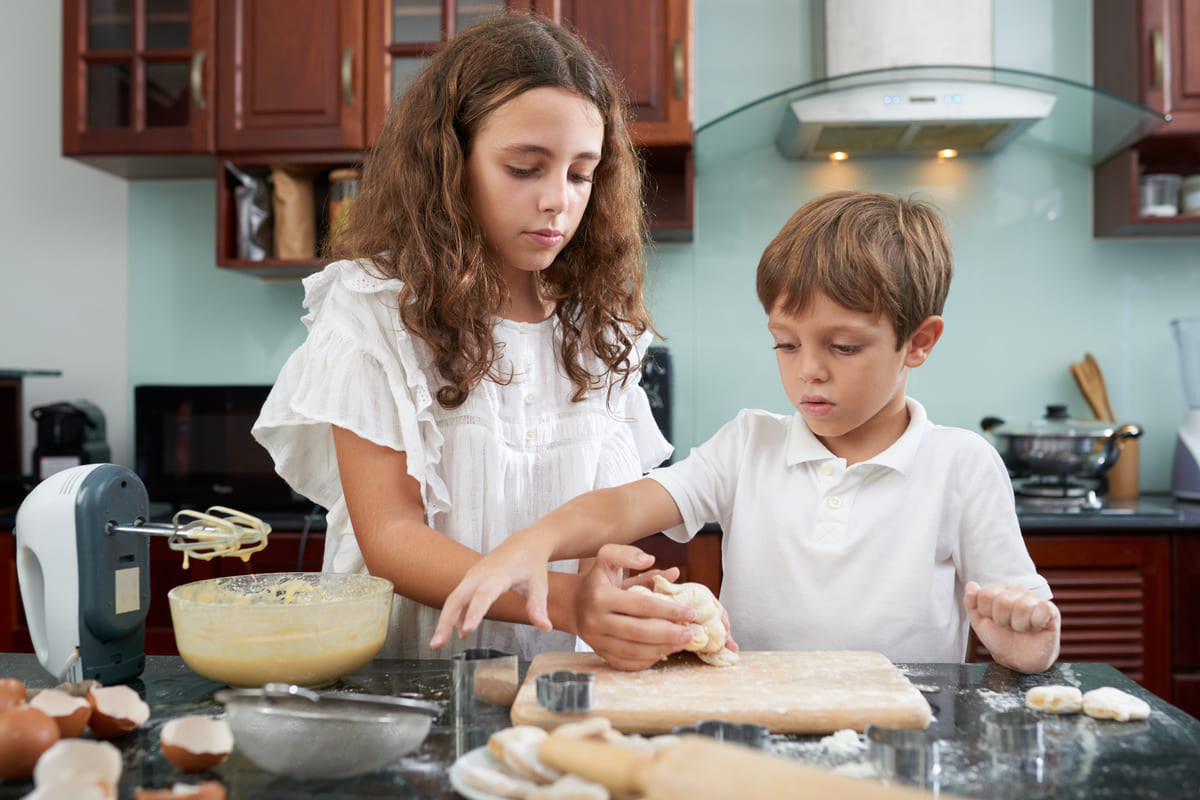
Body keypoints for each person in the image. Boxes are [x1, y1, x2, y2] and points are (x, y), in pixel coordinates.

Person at [432, 189, 1062, 675]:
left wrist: (1024, 645)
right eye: (785, 344)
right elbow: (627, 503)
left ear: (918, 342)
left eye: (843, 346)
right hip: (756, 731)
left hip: (907, 741)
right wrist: (535, 541)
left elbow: (1022, 622)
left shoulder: (962, 466)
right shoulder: (748, 446)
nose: (808, 370)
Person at [252, 12, 689, 662]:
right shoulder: (375, 310)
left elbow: (605, 518)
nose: (558, 201)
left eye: (580, 173)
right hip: (408, 681)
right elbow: (391, 536)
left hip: (559, 676)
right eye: (524, 168)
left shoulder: (600, 328)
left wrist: (623, 597)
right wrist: (563, 602)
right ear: (449, 163)